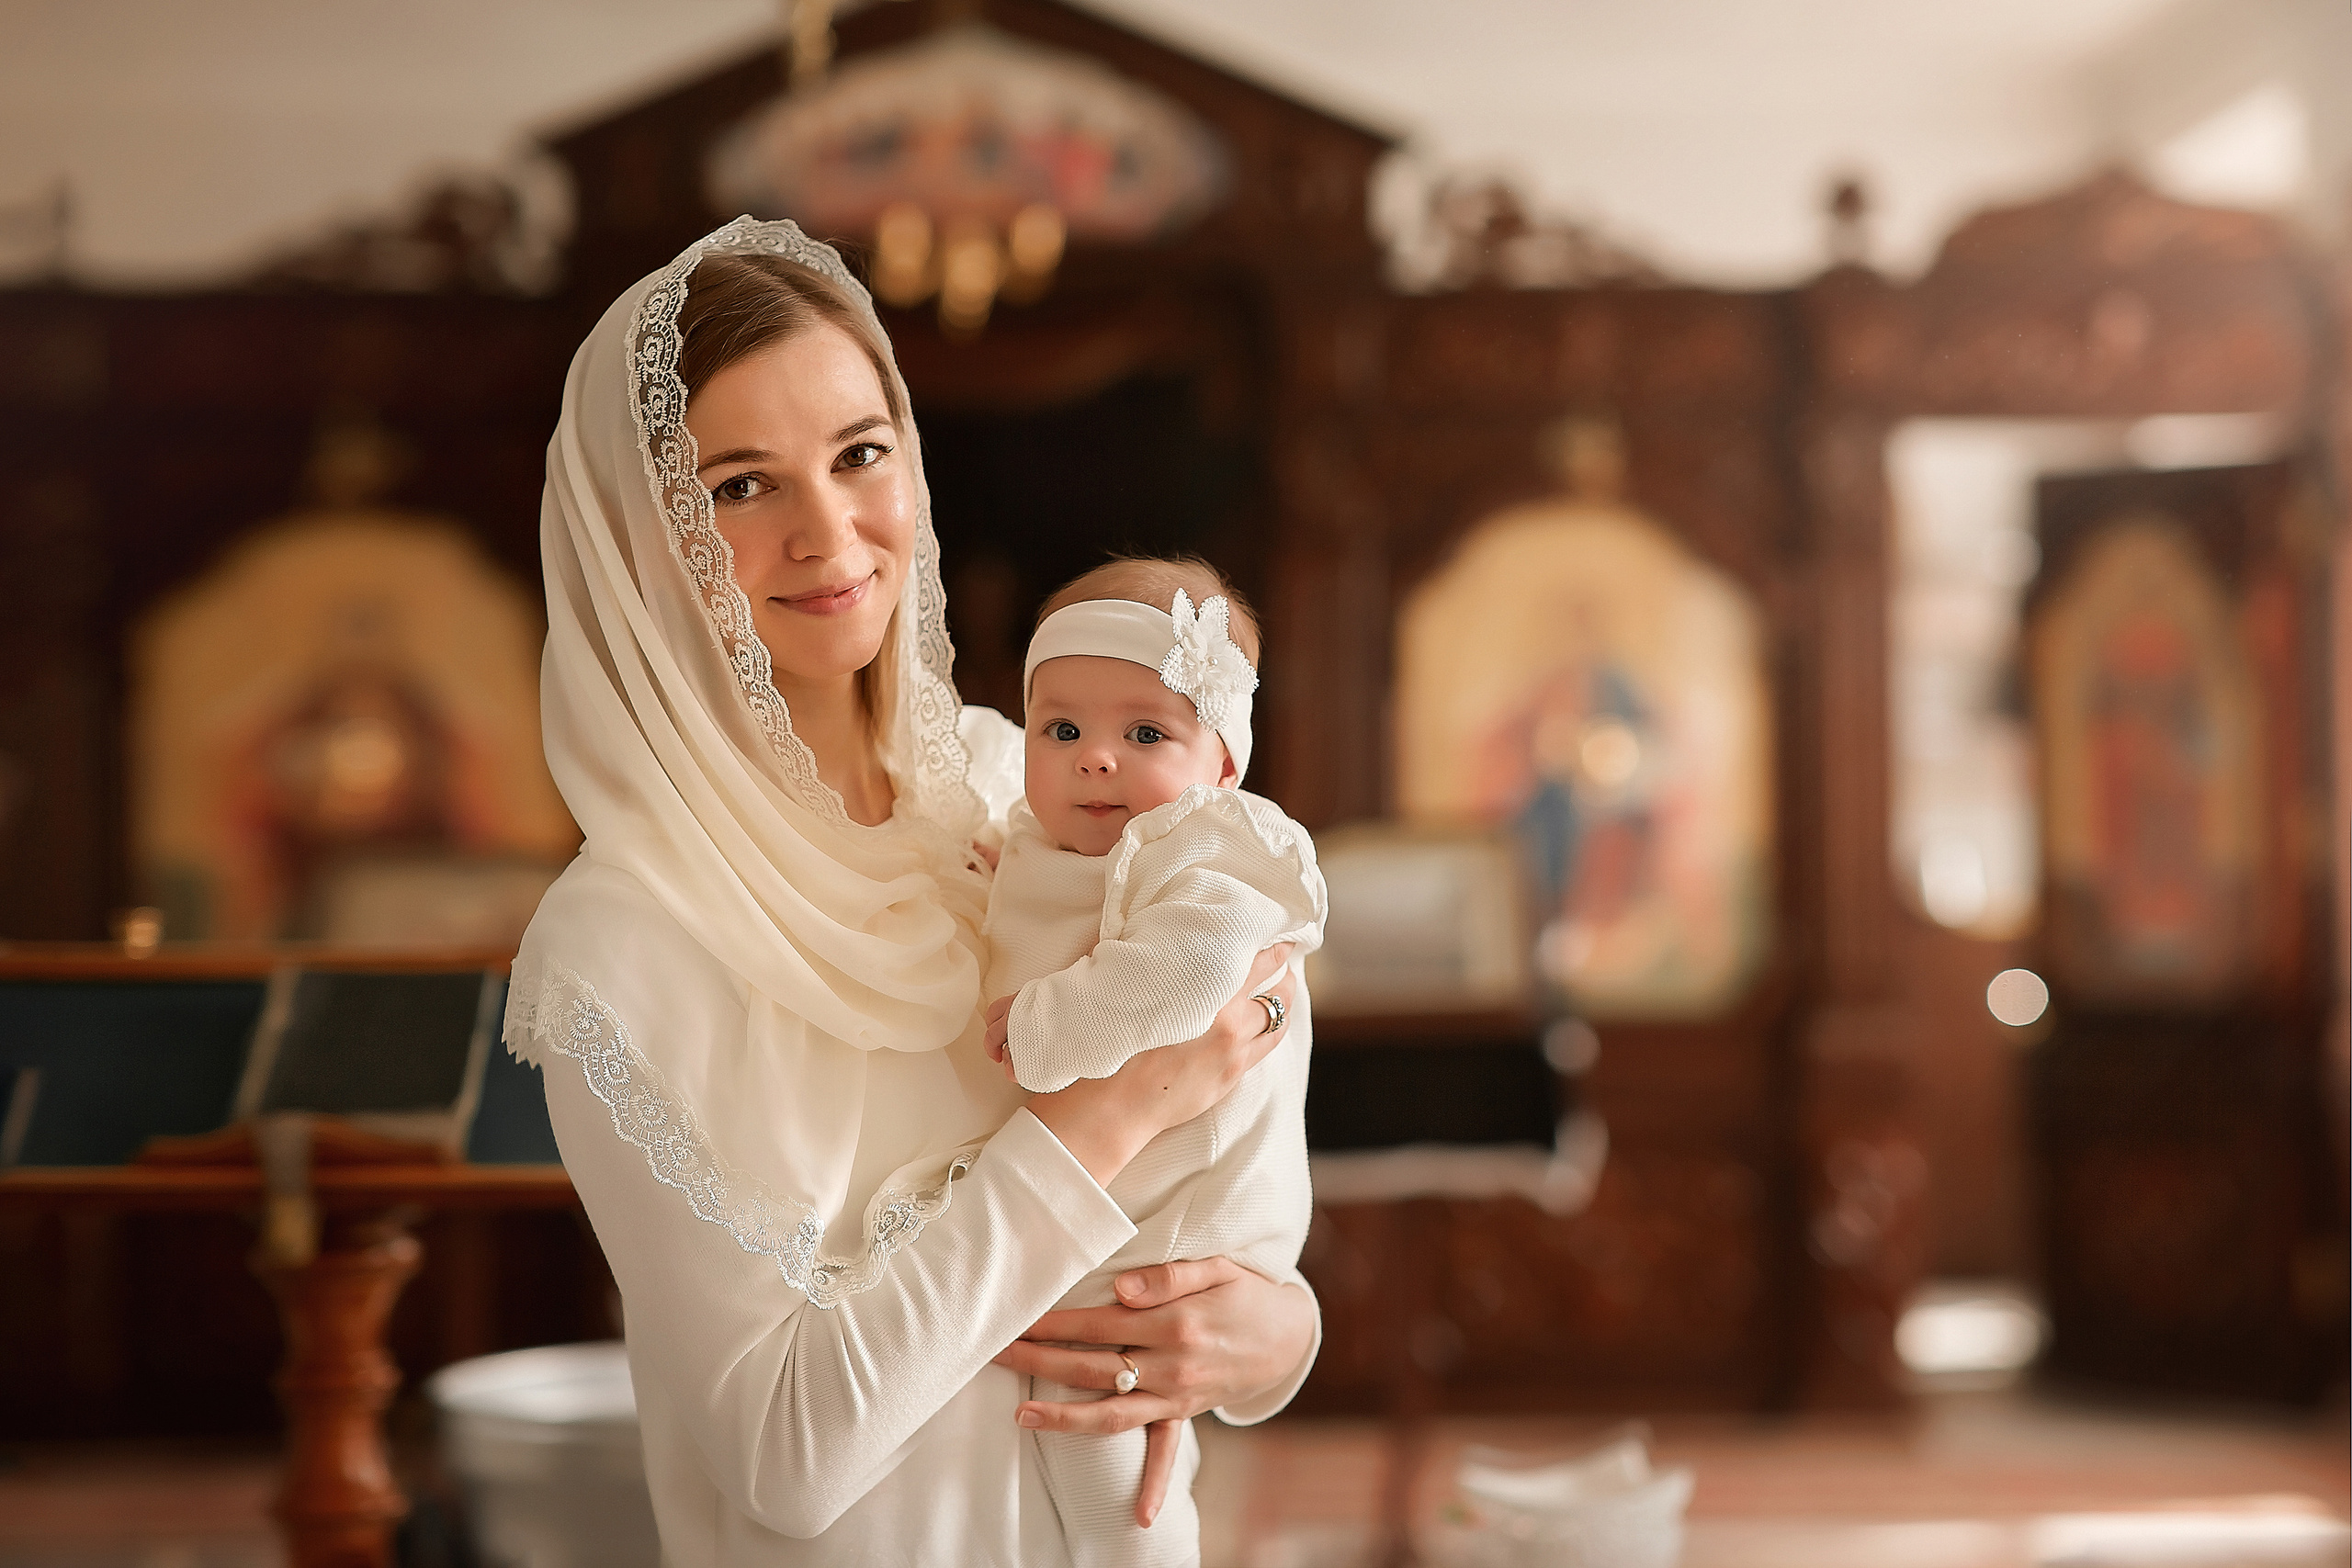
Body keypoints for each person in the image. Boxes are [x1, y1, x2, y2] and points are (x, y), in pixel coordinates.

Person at [503, 218, 1318, 1566]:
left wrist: (1274, 1334)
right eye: (741, 486)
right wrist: (1106, 1113)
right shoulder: (622, 946)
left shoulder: (1022, 792)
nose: (828, 533)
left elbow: (1241, 1117)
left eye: (859, 454)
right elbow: (789, 1457)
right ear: (642, 542)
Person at [982, 558, 1327, 1567]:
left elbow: (1187, 973)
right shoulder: (1055, 841)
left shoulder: (1212, 850)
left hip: (1179, 1230)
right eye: (1061, 730)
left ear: (1223, 764)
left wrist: (1044, 1022)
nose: (1095, 759)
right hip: (1113, 1215)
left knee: (1106, 1472)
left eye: (1144, 734)